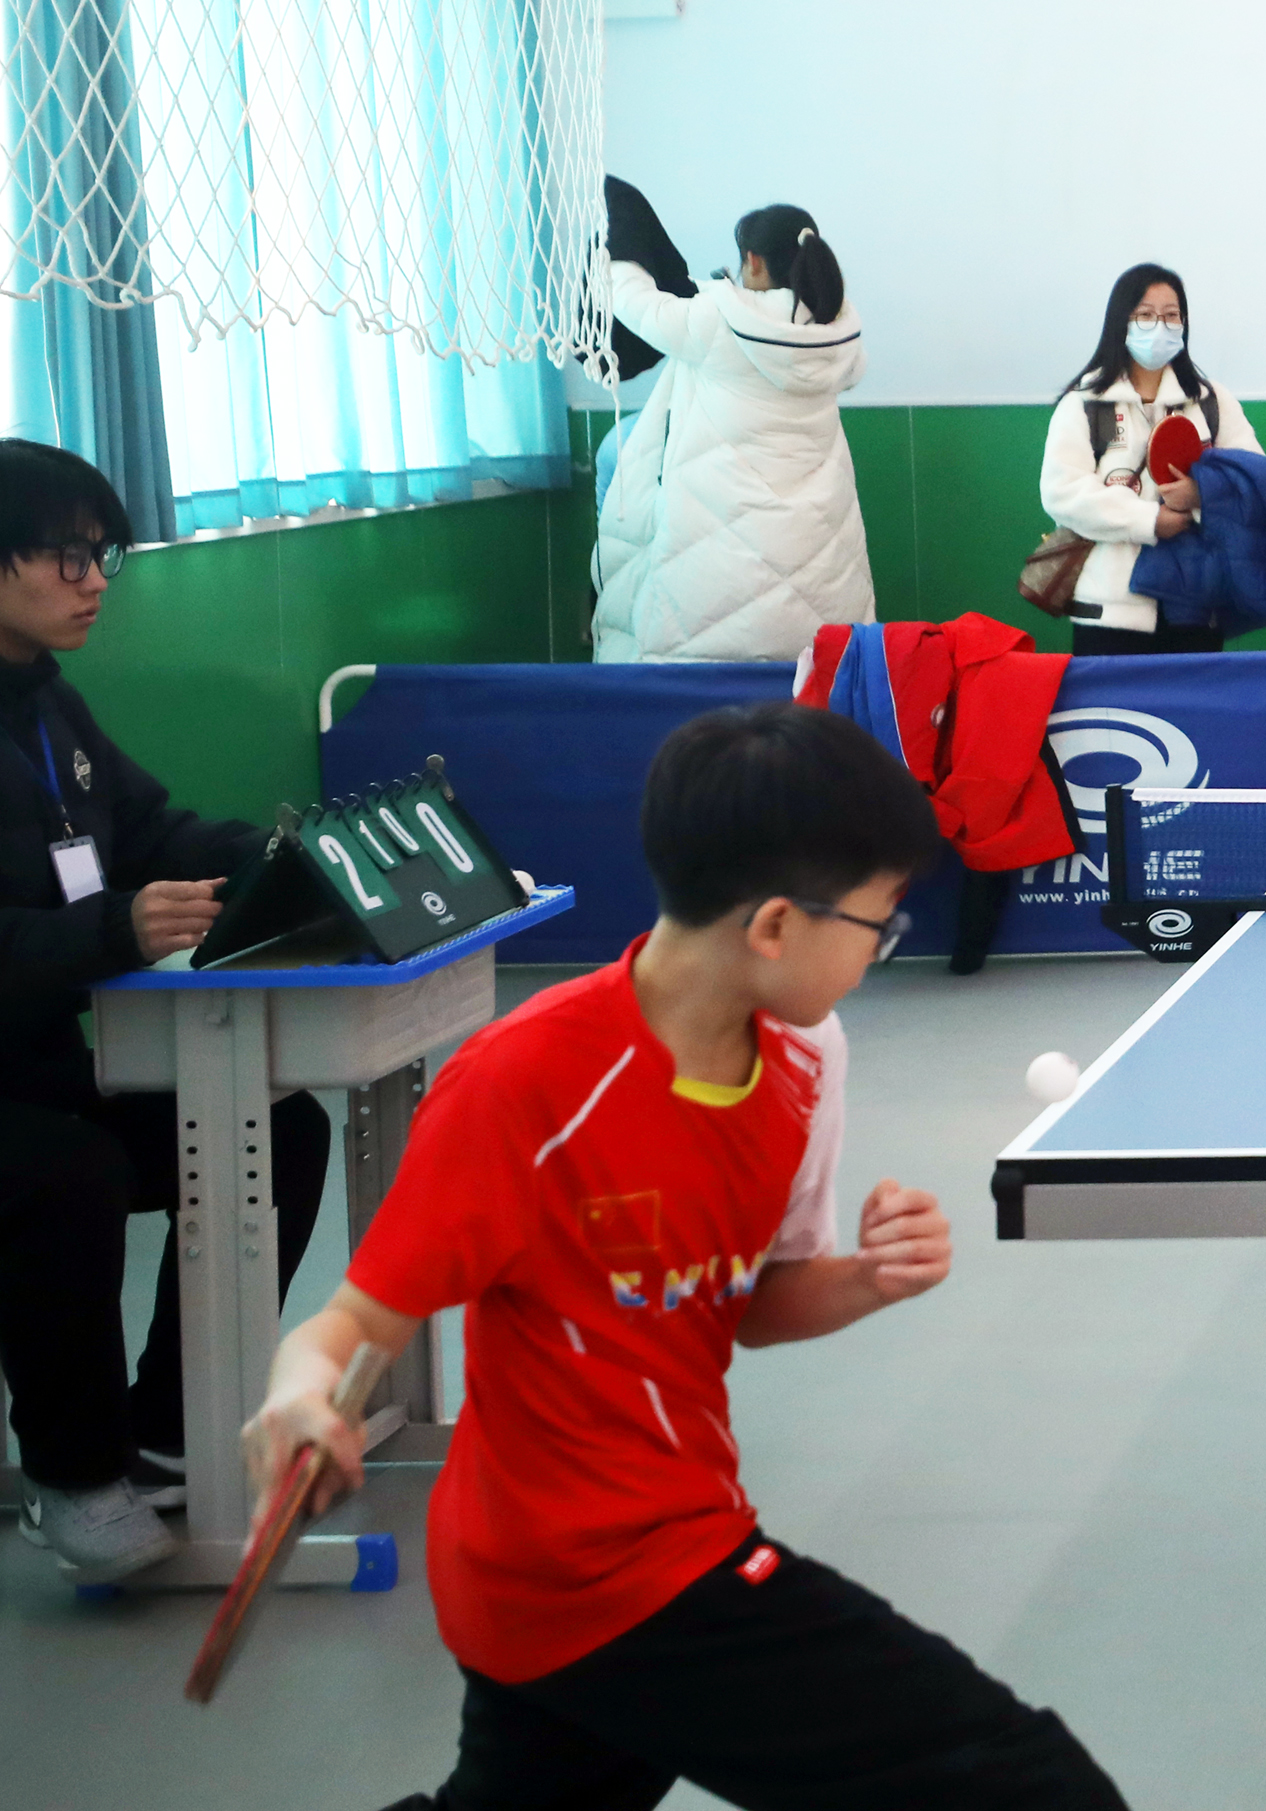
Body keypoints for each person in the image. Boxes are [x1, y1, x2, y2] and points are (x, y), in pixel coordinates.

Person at [250, 703, 1130, 1811]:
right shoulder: (523, 1083)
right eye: (878, 923)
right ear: (775, 925)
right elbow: (352, 1322)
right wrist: (297, 1397)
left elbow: (747, 1306)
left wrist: (865, 1276)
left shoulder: (803, 1056)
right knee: (1031, 1788)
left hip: (626, 1542)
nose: (880, 950)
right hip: (598, 1570)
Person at [0, 439, 330, 1579]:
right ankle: (73, 1474)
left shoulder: (51, 704)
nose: (94, 580)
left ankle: (165, 1431)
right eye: (67, 556)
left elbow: (154, 833)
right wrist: (115, 928)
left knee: (273, 1123)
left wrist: (295, 858)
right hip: (22, 1102)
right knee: (69, 1173)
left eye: (104, 556)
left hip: (43, 1064)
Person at [594, 205, 875, 663]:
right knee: (820, 680)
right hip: (818, 556)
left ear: (754, 261)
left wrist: (619, 252)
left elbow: (636, 304)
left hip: (720, 572)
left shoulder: (719, 321)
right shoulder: (836, 330)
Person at [1040, 263, 1266, 654]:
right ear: (1120, 323)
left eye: (1171, 316)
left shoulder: (1211, 401)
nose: (1159, 326)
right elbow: (1062, 494)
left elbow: (1256, 483)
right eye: (1145, 316)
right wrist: (1149, 521)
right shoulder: (1084, 403)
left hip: (1196, 608)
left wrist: (1201, 494)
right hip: (1109, 615)